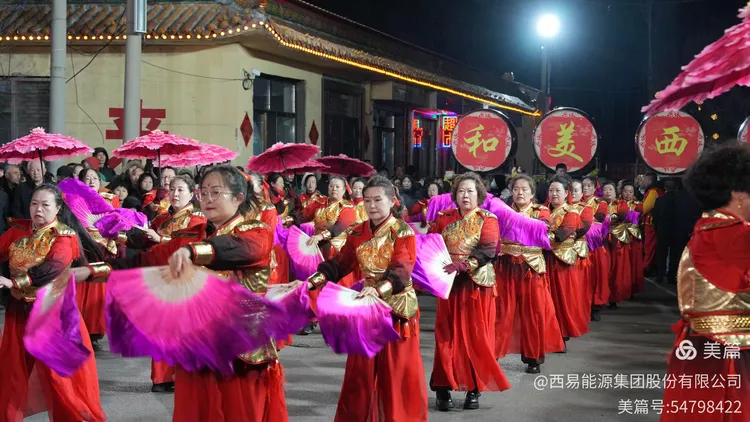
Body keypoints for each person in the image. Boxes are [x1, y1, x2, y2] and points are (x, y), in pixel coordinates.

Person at [306, 176, 428, 422]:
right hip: (367, 307)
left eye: (378, 200)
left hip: (396, 309)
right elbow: (341, 263)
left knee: (396, 375)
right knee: (359, 374)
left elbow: (402, 269)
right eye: (368, 200)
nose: (372, 205)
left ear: (391, 201)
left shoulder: (402, 231)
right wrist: (314, 280)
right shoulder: (357, 231)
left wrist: (379, 290)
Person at [0, 184, 106, 421]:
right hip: (19, 310)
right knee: (12, 371)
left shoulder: (64, 236)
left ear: (58, 208)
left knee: (59, 377)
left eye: (45, 205)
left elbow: (53, 268)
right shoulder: (18, 231)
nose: (38, 209)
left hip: (53, 314)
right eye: (34, 203)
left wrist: (13, 282)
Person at [661, 144, 750, 422]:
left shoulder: (705, 230)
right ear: (738, 194)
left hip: (700, 346)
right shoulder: (738, 235)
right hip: (733, 353)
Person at [429, 172, 510, 411]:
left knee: (476, 337)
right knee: (446, 335)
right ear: (455, 195)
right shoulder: (443, 218)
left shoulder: (488, 219)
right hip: (449, 284)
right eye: (461, 191)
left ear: (479, 195)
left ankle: (474, 389)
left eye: (470, 191)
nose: (465, 195)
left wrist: (464, 266)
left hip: (476, 285)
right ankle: (442, 387)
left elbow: (488, 250)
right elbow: (431, 244)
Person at [495, 174, 564, 374]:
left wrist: (514, 221)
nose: (520, 192)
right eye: (516, 189)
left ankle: (534, 357)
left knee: (533, 313)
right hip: (506, 266)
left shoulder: (541, 211)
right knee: (501, 311)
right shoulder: (503, 211)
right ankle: (494, 353)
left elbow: (543, 228)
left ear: (532, 193)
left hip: (531, 269)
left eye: (524, 189)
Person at [545, 175, 589, 349]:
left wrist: (534, 235)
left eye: (558, 190)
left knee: (561, 298)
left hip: (561, 262)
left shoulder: (571, 213)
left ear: (566, 193)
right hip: (544, 259)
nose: (554, 194)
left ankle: (561, 334)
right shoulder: (543, 210)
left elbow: (560, 236)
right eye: (551, 190)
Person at [582, 176, 610, 322]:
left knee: (596, 277)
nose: (585, 188)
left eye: (589, 186)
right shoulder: (576, 203)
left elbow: (599, 219)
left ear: (594, 188)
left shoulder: (601, 203)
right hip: (580, 246)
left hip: (595, 246)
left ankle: (596, 307)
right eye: (583, 186)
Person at [602, 180, 631, 308]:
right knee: (604, 269)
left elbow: (623, 215)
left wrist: (607, 218)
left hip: (617, 241)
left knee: (616, 271)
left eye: (610, 189)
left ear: (615, 192)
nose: (607, 192)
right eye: (605, 189)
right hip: (602, 241)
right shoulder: (599, 204)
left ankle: (613, 298)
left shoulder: (621, 204)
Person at [622, 181, 645, 295]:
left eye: (630, 192)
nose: (628, 194)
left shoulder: (638, 205)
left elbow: (634, 219)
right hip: (621, 237)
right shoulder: (616, 203)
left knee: (633, 262)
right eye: (626, 191)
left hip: (633, 237)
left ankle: (632, 287)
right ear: (621, 192)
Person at [640, 172, 663, 272]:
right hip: (653, 223)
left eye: (644, 180)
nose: (642, 182)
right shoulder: (656, 190)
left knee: (649, 245)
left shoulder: (653, 191)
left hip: (650, 223)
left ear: (649, 181)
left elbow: (644, 208)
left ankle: (647, 267)